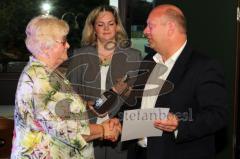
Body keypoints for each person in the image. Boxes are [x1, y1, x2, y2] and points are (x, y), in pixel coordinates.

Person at [124, 4, 228, 159]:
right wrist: (119, 123)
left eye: (150, 26)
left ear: (170, 28)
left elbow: (218, 115)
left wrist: (180, 124)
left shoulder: (204, 67)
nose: (145, 31)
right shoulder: (149, 61)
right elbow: (138, 105)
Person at [11, 15, 121, 159]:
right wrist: (103, 130)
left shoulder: (46, 71)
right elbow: (70, 132)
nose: (68, 45)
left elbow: (56, 109)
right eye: (63, 41)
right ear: (46, 46)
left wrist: (85, 106)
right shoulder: (42, 80)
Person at [66, 5, 141, 159]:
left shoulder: (134, 56)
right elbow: (68, 95)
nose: (106, 28)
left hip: (120, 129)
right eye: (101, 24)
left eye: (111, 23)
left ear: (117, 26)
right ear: (93, 28)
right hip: (88, 131)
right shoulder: (79, 56)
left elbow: (138, 98)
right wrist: (86, 103)